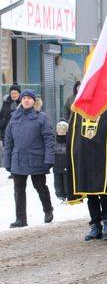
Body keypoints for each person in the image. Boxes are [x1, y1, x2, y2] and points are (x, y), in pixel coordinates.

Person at [68, 106, 107, 240]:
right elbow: (74, 135)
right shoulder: (79, 111)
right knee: (90, 193)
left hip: (103, 158)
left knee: (104, 191)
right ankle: (95, 225)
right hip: (85, 158)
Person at [3, 89, 55, 228]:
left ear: (34, 101)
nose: (26, 100)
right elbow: (8, 142)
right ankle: (21, 219)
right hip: (18, 159)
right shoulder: (14, 118)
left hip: (37, 159)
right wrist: (7, 161)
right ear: (21, 100)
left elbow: (49, 139)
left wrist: (49, 159)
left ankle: (48, 209)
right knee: (18, 190)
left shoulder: (42, 117)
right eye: (24, 98)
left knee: (40, 186)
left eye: (29, 98)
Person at [53, 120, 69, 203]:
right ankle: (60, 196)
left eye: (63, 131)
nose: (61, 133)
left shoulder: (69, 140)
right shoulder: (54, 141)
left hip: (66, 165)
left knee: (66, 182)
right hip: (57, 165)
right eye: (59, 131)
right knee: (58, 183)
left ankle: (67, 195)